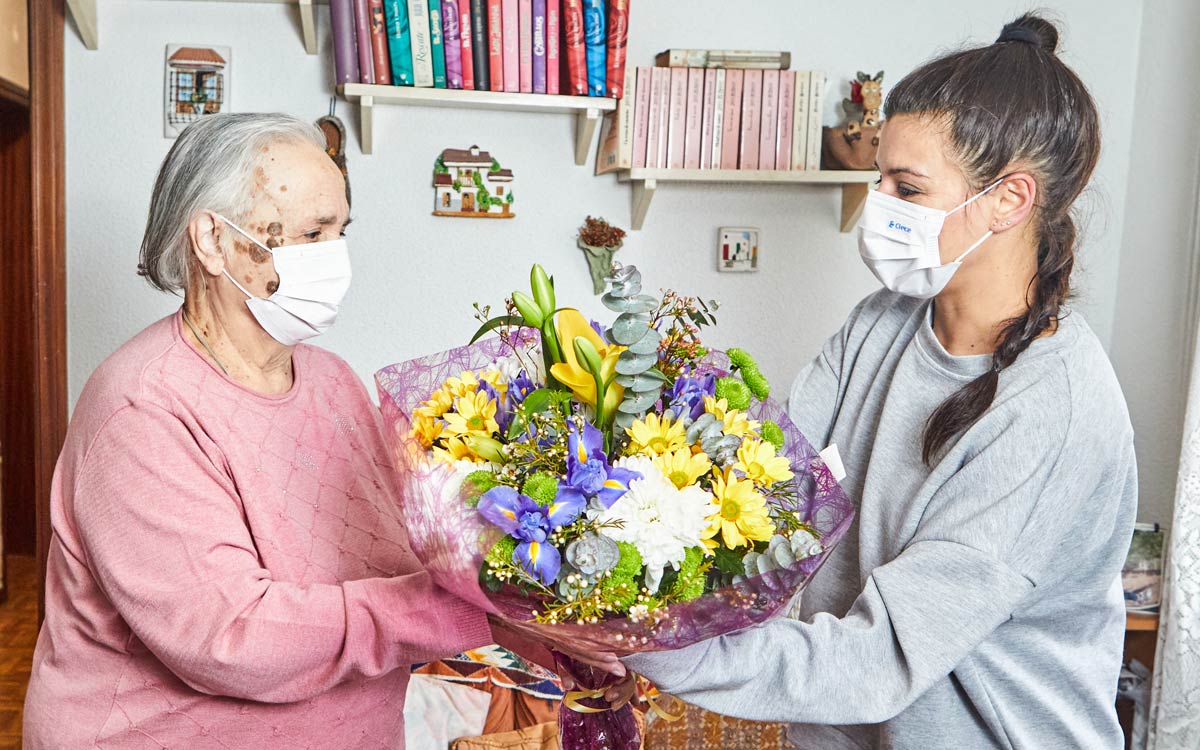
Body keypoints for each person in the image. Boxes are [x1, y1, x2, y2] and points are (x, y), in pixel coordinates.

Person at [22, 113, 620, 749]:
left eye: (340, 230)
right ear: (213, 242)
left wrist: (532, 615)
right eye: (312, 232)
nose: (336, 256)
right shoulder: (142, 409)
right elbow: (232, 639)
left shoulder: (333, 383)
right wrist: (474, 617)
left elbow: (398, 560)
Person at [623, 14, 1137, 749]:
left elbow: (880, 655)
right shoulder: (883, 323)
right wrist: (624, 555)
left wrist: (649, 647)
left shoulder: (1054, 411)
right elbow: (769, 484)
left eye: (907, 187)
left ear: (1009, 200)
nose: (882, 207)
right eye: (880, 179)